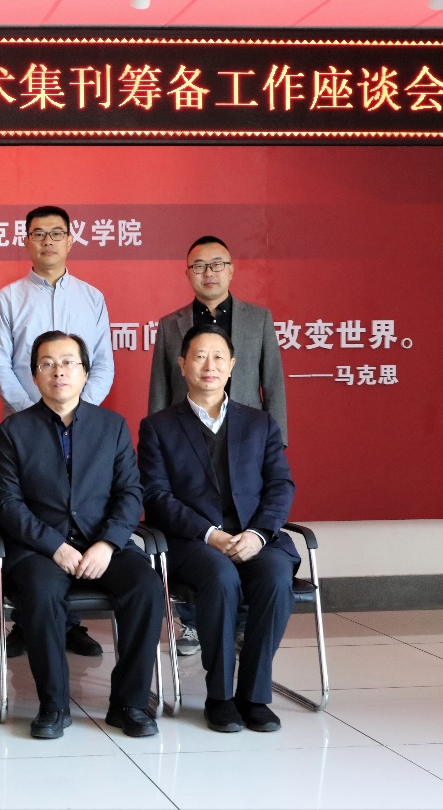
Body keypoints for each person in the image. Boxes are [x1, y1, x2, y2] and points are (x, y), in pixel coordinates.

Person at [0, 331, 164, 740]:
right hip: (39, 549)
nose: (59, 371)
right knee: (41, 593)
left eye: (69, 362)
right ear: (35, 375)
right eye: (48, 364)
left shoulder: (112, 427)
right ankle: (54, 706)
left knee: (146, 587)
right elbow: (8, 504)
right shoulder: (13, 431)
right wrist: (54, 546)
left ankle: (129, 704)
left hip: (102, 544)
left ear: (85, 373)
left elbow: (130, 493)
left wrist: (107, 543)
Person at [138, 324, 297, 734]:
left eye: (218, 357)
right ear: (182, 365)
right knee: (221, 576)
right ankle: (221, 696)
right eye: (199, 356)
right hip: (192, 542)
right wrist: (210, 534)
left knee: (276, 575)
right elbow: (155, 495)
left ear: (232, 366)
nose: (209, 365)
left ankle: (254, 695)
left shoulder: (260, 424)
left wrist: (258, 534)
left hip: (254, 537)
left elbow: (280, 485)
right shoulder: (158, 426)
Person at [148, 235, 290, 656]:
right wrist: (157, 439)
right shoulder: (170, 324)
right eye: (199, 266)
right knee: (199, 543)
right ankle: (194, 624)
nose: (208, 273)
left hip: (247, 447)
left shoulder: (257, 319)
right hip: (186, 447)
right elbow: (160, 391)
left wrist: (275, 445)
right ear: (187, 273)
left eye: (216, 264)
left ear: (231, 270)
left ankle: (242, 627)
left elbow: (273, 384)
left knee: (252, 546)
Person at [0, 206, 114, 660]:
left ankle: (70, 622)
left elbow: (102, 362)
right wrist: (39, 414)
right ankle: (29, 620)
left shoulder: (92, 297)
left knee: (76, 513)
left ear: (70, 240)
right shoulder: (8, 298)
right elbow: (0, 364)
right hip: (26, 428)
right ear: (26, 241)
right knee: (34, 514)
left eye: (56, 233)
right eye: (38, 234)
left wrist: (78, 412)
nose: (47, 241)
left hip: (83, 427)